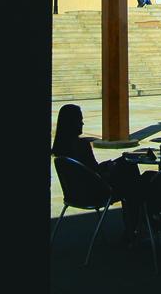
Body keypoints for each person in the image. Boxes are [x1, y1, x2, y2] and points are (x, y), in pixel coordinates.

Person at [51, 103, 142, 240]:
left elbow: (88, 170)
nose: (82, 123)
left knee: (126, 167)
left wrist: (109, 165)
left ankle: (133, 228)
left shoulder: (60, 149)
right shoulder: (82, 145)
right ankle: (137, 225)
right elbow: (96, 173)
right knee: (131, 173)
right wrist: (109, 169)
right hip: (95, 191)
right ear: (72, 123)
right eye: (79, 120)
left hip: (76, 192)